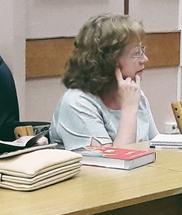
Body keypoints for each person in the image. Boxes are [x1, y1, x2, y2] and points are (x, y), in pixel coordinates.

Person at [49, 13, 159, 150]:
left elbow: (157, 147)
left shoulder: (132, 93)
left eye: (142, 51)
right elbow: (114, 161)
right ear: (109, 60)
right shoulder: (77, 103)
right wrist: (129, 109)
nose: (144, 59)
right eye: (136, 53)